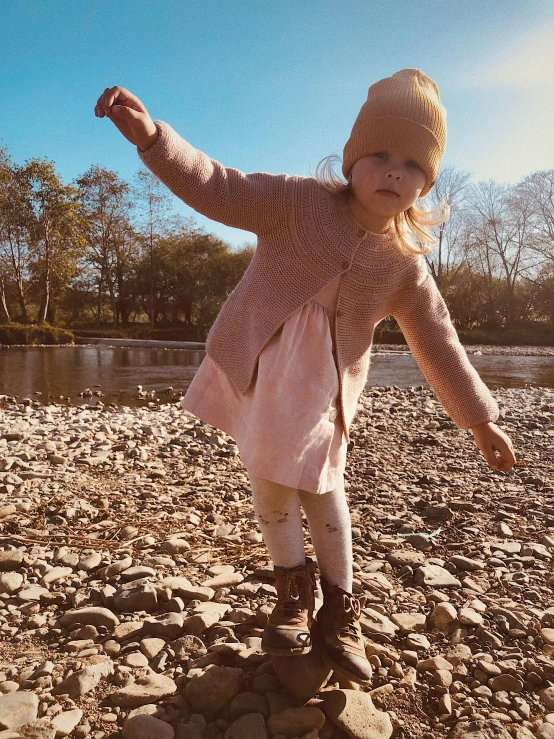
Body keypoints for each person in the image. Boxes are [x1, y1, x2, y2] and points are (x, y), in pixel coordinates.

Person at [94, 69, 516, 686]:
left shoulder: (405, 265)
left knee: (323, 490)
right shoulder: (294, 202)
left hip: (324, 391)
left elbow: (439, 342)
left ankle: (340, 611)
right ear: (350, 161)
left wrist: (480, 422)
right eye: (379, 154)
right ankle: (292, 593)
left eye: (412, 164)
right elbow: (219, 187)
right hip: (260, 368)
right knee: (269, 486)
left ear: (427, 182)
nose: (394, 171)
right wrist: (153, 138)